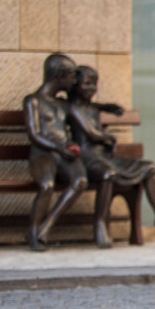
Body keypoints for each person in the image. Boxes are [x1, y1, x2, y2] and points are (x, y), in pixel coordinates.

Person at [67, 65, 155, 240]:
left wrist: (108, 107)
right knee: (108, 174)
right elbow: (92, 133)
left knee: (150, 167)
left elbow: (96, 108)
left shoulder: (92, 108)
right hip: (88, 160)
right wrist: (109, 137)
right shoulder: (74, 109)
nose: (91, 88)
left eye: (94, 84)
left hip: (105, 157)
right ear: (75, 85)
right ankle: (100, 224)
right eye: (86, 84)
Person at [22, 53, 88, 250]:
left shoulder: (63, 104)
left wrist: (106, 107)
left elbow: (85, 111)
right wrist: (58, 147)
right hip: (43, 153)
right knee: (46, 185)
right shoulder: (32, 100)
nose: (75, 81)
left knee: (80, 181)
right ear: (60, 75)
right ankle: (34, 232)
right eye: (72, 76)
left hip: (65, 154)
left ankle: (46, 226)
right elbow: (34, 134)